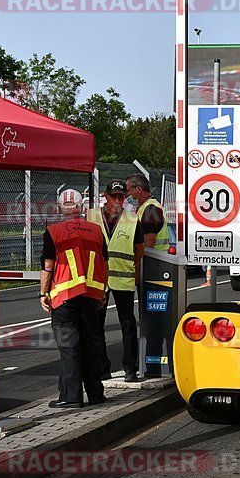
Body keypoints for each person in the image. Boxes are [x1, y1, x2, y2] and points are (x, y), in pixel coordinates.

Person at [39, 189, 108, 408]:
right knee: (90, 345)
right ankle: (96, 394)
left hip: (65, 297)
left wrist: (43, 293)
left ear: (60, 207)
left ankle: (71, 397)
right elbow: (104, 265)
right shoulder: (96, 230)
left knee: (69, 347)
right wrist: (102, 293)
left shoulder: (53, 231)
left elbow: (48, 266)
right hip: (91, 295)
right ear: (81, 207)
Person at [88, 180, 145, 383]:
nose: (118, 200)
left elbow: (139, 249)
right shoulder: (91, 217)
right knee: (96, 326)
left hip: (123, 279)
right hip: (98, 281)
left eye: (121, 196)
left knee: (128, 324)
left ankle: (130, 368)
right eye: (114, 196)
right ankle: (102, 368)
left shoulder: (131, 219)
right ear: (106, 196)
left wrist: (135, 269)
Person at [125, 173, 170, 251]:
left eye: (128, 190)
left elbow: (147, 247)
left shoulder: (151, 210)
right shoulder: (145, 207)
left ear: (138, 189)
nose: (127, 194)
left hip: (155, 260)